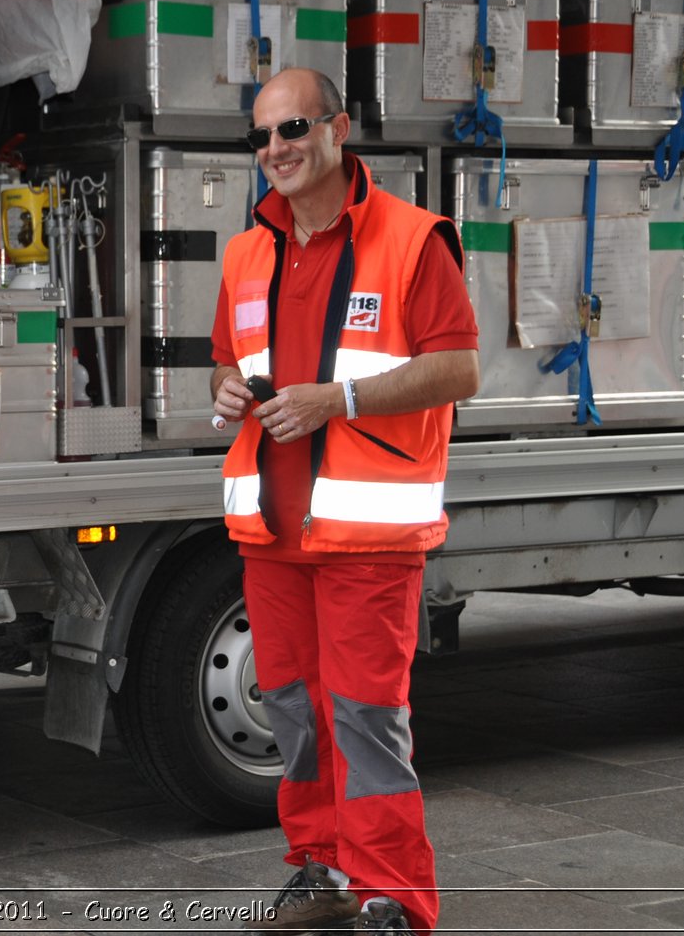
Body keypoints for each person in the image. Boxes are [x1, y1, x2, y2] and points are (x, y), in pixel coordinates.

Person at [210, 68, 479, 936]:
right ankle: (321, 871)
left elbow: (461, 369)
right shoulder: (248, 247)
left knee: (365, 720)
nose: (276, 150)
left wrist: (341, 400)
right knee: (293, 714)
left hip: (368, 532)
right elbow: (228, 357)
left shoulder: (412, 238)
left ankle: (394, 897)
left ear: (339, 126)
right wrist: (224, 388)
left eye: (293, 128)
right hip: (272, 530)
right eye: (262, 136)